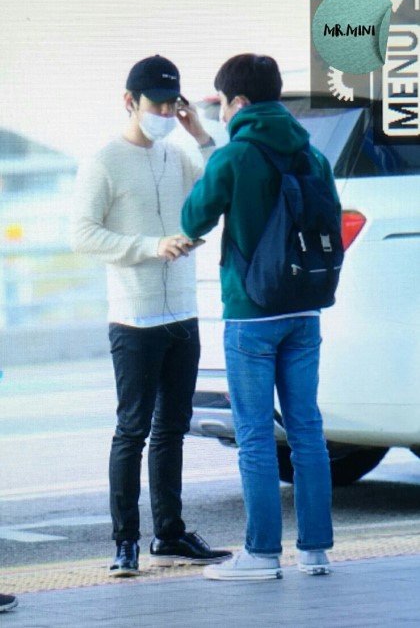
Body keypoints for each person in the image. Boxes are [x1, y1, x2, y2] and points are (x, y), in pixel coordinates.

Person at [71, 54, 231, 576]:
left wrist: (199, 133)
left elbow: (219, 184)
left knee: (171, 430)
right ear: (129, 102)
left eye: (171, 104)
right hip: (134, 319)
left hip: (182, 313)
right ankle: (125, 542)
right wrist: (150, 246)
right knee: (132, 430)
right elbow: (83, 234)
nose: (164, 113)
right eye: (156, 104)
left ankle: (169, 533)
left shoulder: (177, 155)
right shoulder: (104, 162)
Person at [182, 53, 338, 581]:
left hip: (251, 314)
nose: (224, 114)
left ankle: (263, 554)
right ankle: (315, 551)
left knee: (254, 435)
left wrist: (210, 153)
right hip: (305, 308)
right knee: (307, 430)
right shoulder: (312, 155)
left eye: (225, 105)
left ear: (240, 102)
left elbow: (194, 217)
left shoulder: (236, 155)